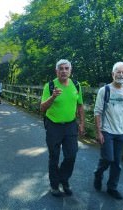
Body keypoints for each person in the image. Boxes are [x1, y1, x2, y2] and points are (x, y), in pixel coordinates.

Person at [40, 59, 85, 197]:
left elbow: (80, 105)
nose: (64, 71)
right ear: (56, 71)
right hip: (53, 125)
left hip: (70, 125)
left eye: (66, 68)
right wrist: (53, 97)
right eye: (61, 68)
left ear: (70, 71)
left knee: (71, 155)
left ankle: (64, 180)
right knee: (54, 156)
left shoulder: (76, 85)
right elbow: (42, 108)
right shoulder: (50, 85)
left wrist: (82, 123)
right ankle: (54, 185)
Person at [93, 61, 123, 200]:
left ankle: (112, 187)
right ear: (113, 73)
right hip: (106, 131)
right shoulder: (104, 90)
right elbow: (97, 112)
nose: (121, 74)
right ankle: (98, 174)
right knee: (108, 158)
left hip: (121, 132)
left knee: (117, 163)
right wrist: (98, 132)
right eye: (118, 72)